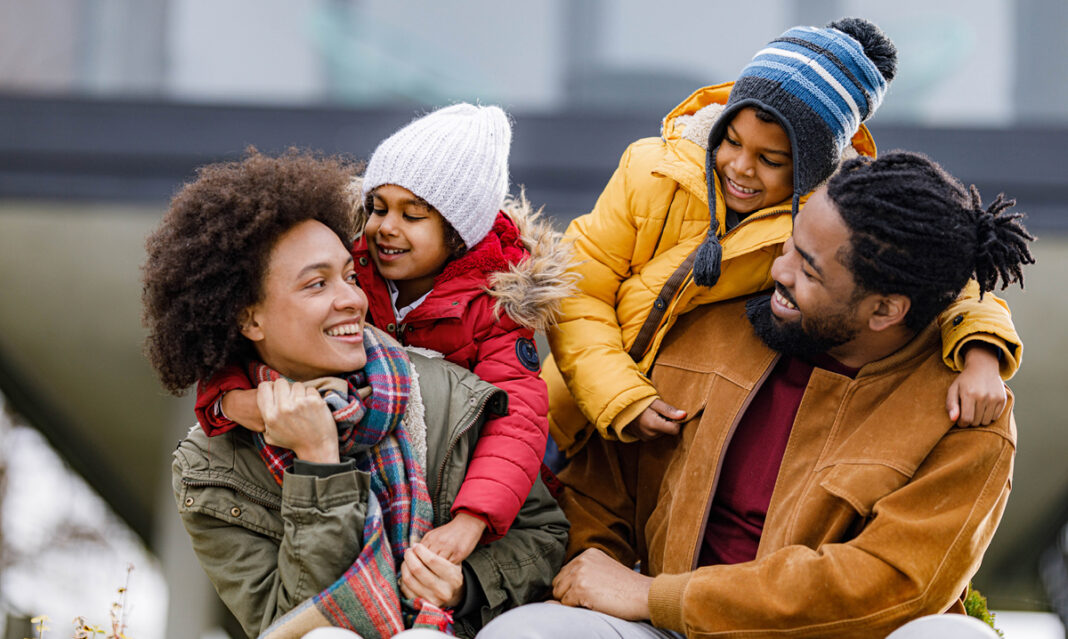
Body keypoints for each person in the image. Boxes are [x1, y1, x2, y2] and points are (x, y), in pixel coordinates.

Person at [477, 150, 1034, 638]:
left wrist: (658, 596)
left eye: (809, 271)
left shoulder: (966, 417)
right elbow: (601, 490)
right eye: (789, 246)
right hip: (662, 632)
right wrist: (600, 570)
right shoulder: (708, 325)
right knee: (525, 633)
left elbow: (890, 586)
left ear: (885, 310)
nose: (777, 270)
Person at [541, 18, 1021, 461]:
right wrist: (619, 396)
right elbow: (581, 289)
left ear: (812, 163)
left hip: (664, 441)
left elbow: (946, 277)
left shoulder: (832, 213)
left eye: (770, 159)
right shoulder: (651, 171)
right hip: (564, 414)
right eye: (731, 141)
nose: (740, 167)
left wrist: (983, 356)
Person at [142, 150, 568, 638]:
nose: (351, 299)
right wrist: (318, 465)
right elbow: (289, 623)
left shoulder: (446, 390)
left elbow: (546, 535)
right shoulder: (211, 466)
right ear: (248, 317)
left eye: (349, 275)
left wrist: (465, 584)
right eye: (317, 284)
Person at [193, 104, 573, 565]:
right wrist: (234, 401)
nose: (385, 227)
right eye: (377, 207)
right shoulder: (349, 272)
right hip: (363, 451)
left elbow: (517, 422)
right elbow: (257, 338)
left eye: (413, 215)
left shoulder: (495, 308)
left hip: (449, 481)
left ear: (458, 235)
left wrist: (471, 520)